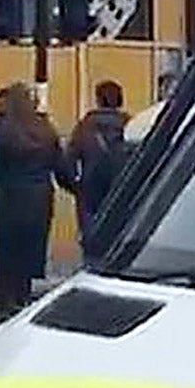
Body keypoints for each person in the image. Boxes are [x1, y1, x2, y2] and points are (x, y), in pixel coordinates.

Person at [0, 85, 72, 318]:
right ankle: (22, 300)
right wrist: (78, 188)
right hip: (40, 201)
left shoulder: (4, 132)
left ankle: (6, 305)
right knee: (27, 257)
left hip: (11, 199)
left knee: (5, 257)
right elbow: (61, 170)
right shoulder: (46, 130)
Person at [68, 81, 132, 266]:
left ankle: (92, 266)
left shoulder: (85, 127)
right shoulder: (130, 124)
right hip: (123, 186)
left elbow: (69, 159)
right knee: (119, 232)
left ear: (98, 99)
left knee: (91, 235)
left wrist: (75, 185)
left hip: (90, 187)